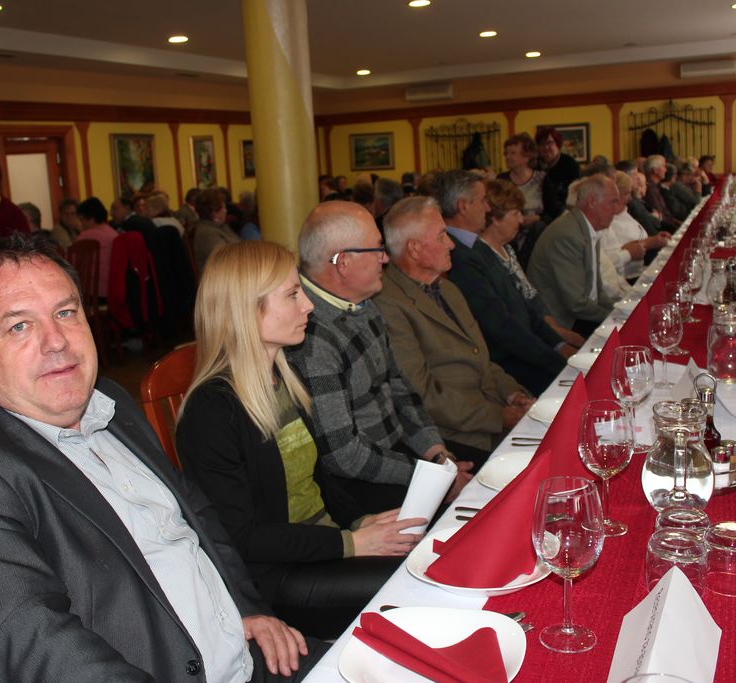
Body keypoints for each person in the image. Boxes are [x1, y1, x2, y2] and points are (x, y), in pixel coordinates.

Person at [0, 233, 323, 682]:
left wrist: (248, 606)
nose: (56, 341)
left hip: (252, 654)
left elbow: (196, 515)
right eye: (19, 326)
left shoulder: (110, 402)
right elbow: (31, 650)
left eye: (65, 313)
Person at [176, 241, 421, 638]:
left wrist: (359, 521)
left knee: (426, 548)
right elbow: (242, 537)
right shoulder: (212, 412)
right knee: (414, 579)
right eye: (292, 295)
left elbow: (318, 476)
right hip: (277, 576)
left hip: (320, 546)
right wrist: (351, 543)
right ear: (247, 310)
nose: (308, 306)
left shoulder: (284, 378)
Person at [286, 201, 472, 512]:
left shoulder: (363, 303)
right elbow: (345, 457)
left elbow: (400, 388)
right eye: (377, 249)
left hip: (399, 456)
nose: (385, 258)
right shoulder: (310, 335)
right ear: (344, 262)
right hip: (357, 485)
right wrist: (430, 478)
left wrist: (438, 454)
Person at [374, 196, 533, 458]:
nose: (451, 244)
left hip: (489, 416)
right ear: (414, 249)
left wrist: (512, 393)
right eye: (442, 236)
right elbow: (421, 393)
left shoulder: (447, 289)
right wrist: (498, 416)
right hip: (454, 437)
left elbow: (480, 358)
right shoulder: (388, 304)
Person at [437, 173, 580, 395]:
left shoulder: (476, 247)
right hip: (510, 364)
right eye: (482, 201)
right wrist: (557, 362)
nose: (487, 208)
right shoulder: (458, 254)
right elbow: (500, 326)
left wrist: (559, 345)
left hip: (525, 351)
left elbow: (522, 304)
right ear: (463, 206)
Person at [527, 175, 621, 337]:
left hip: (580, 314)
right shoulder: (568, 235)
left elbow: (597, 293)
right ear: (592, 202)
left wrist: (618, 311)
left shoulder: (587, 229)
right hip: (563, 322)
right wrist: (614, 317)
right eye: (613, 202)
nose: (616, 210)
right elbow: (575, 304)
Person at [497, 132, 561, 267]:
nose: (507, 157)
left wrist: (539, 218)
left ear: (527, 156)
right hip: (510, 237)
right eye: (506, 153)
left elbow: (555, 211)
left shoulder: (542, 179)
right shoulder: (502, 180)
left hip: (537, 235)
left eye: (513, 153)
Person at [600, 171, 670, 283]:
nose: (629, 199)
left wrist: (654, 239)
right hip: (628, 278)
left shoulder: (623, 212)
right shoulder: (606, 220)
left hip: (640, 271)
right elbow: (613, 258)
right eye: (627, 193)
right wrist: (647, 243)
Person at [73, 197, 119, 299]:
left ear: (91, 218)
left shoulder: (85, 236)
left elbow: (72, 263)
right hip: (112, 290)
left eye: (82, 220)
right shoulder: (114, 233)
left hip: (91, 293)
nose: (81, 224)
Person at [193, 187, 240, 273]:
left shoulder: (221, 226)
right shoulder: (207, 233)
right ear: (214, 212)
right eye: (224, 207)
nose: (226, 211)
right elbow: (225, 260)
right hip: (220, 278)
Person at [535, 126, 581, 207]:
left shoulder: (570, 164)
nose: (546, 147)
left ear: (557, 144)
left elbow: (576, 194)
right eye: (542, 144)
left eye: (549, 143)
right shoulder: (535, 165)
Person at [642, 154, 681, 231]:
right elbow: (660, 215)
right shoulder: (650, 189)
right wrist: (676, 226)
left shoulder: (656, 186)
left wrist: (677, 222)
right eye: (663, 166)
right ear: (655, 170)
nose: (666, 170)